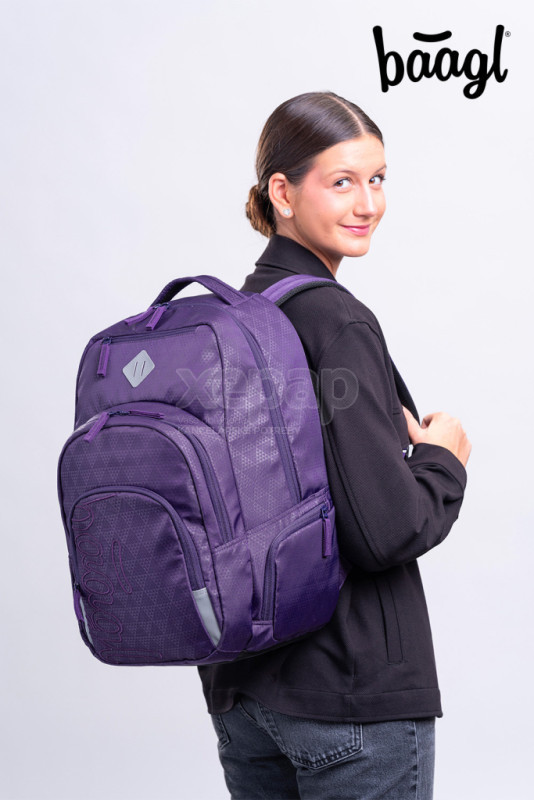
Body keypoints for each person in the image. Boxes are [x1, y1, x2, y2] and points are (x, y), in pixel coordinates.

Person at [197, 91, 471, 800]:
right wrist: (443, 460)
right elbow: (384, 532)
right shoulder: (336, 322)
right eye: (342, 181)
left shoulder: (234, 319)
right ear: (282, 192)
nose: (367, 204)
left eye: (377, 179)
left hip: (245, 692)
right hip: (350, 696)